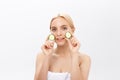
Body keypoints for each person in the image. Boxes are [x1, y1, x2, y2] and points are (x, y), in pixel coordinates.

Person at [34, 13, 91, 80]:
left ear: (72, 30)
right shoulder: (42, 56)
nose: (58, 33)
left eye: (64, 28)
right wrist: (47, 57)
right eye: (54, 29)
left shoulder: (84, 59)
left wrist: (74, 55)